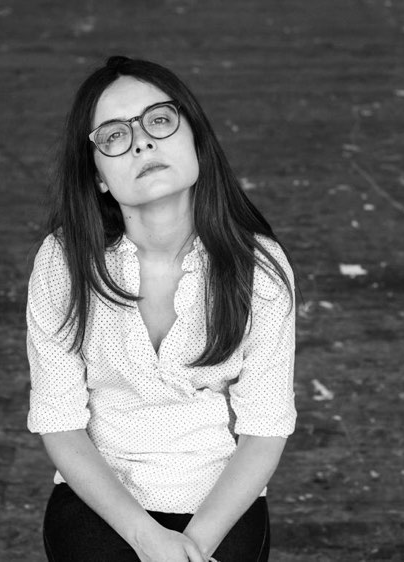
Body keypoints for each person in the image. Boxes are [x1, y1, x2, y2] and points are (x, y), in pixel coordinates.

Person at [26, 55, 297, 562]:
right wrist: (148, 540)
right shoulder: (64, 262)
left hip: (219, 494)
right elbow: (59, 421)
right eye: (114, 135)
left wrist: (193, 548)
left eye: (159, 120)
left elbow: (265, 430)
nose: (142, 142)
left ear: (196, 140)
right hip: (101, 493)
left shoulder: (257, 266)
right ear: (98, 175)